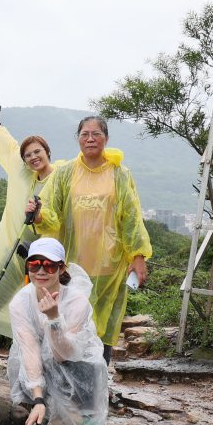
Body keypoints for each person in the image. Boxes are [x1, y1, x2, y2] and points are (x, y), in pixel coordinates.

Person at [27, 116, 152, 360]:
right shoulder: (64, 174)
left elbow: (132, 219)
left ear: (106, 138)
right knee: (71, 322)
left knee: (101, 324)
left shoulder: (120, 174)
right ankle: (68, 381)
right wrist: (39, 216)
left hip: (109, 266)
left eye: (96, 134)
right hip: (73, 265)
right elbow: (51, 212)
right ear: (78, 139)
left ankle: (98, 381)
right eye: (85, 134)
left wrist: (137, 256)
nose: (90, 138)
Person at [10, 239, 111, 425]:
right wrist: (38, 399)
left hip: (73, 359)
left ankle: (90, 418)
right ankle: (41, 415)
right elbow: (30, 350)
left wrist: (54, 319)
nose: (40, 271)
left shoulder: (76, 302)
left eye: (49, 265)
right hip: (40, 361)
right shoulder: (20, 302)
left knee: (85, 366)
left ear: (61, 267)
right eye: (34, 264)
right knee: (24, 364)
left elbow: (64, 354)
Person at [0, 108, 65, 344]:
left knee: (38, 302)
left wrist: (38, 217)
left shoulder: (60, 179)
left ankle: (39, 351)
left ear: (48, 152)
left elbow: (58, 216)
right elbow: (10, 146)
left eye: (38, 152)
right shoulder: (26, 177)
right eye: (28, 155)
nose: (33, 157)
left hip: (43, 258)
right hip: (14, 249)